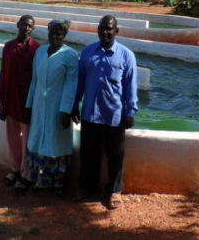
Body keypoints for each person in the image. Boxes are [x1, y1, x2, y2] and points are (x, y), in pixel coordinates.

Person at [72, 15, 138, 209]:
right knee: (88, 153)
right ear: (97, 30)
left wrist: (130, 112)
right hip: (90, 113)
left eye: (109, 29)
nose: (105, 33)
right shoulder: (87, 53)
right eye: (102, 29)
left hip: (114, 116)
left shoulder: (127, 56)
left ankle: (114, 190)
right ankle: (86, 187)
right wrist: (75, 104)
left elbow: (130, 87)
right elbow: (80, 83)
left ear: (116, 31)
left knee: (116, 156)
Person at [25, 20, 78, 195]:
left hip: (57, 108)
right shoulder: (40, 52)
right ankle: (38, 179)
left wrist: (65, 110)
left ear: (64, 36)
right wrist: (29, 105)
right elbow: (34, 80)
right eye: (52, 34)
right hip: (40, 106)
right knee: (38, 140)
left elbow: (71, 84)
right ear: (48, 34)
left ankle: (57, 183)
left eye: (59, 34)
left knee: (56, 144)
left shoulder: (70, 55)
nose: (55, 37)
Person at [0, 14, 40, 192]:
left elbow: (38, 79)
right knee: (13, 139)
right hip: (10, 102)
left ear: (33, 29)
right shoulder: (8, 47)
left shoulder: (37, 49)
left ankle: (25, 174)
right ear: (18, 25)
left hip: (27, 105)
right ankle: (15, 169)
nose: (26, 28)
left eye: (30, 26)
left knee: (27, 141)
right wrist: (1, 101)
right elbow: (3, 75)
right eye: (24, 25)